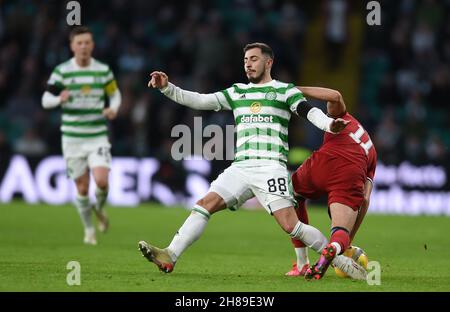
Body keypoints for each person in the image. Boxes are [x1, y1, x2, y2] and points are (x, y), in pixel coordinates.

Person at [138, 43, 365, 275]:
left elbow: (309, 111)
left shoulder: (283, 91)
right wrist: (167, 88)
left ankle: (339, 261)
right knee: (204, 205)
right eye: (246, 59)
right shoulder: (237, 92)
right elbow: (199, 100)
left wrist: (329, 124)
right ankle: (170, 255)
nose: (248, 63)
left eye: (254, 59)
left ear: (268, 63)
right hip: (241, 167)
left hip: (270, 167)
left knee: (291, 226)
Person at [284, 86, 377, 280]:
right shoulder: (372, 152)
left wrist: (295, 88)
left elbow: (335, 95)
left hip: (325, 161)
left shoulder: (344, 117)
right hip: (351, 171)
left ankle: (302, 264)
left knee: (293, 196)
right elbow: (365, 199)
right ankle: (334, 248)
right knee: (340, 231)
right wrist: (348, 240)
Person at [41, 26, 121, 245]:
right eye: (79, 43)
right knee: (83, 188)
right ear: (72, 46)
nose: (84, 46)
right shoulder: (62, 71)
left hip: (97, 135)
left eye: (87, 42)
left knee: (102, 181)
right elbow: (45, 99)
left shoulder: (103, 71)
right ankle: (89, 230)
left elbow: (115, 95)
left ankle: (100, 208)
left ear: (92, 45)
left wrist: (113, 108)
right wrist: (59, 99)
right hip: (72, 138)